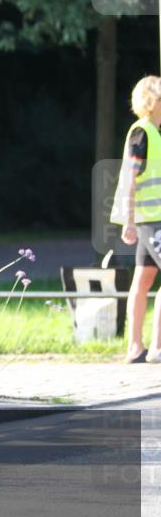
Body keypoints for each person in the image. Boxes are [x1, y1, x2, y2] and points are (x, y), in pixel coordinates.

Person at [117, 75, 161, 364]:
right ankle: (157, 347)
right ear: (153, 99)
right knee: (144, 280)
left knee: (143, 279)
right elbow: (131, 178)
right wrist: (129, 221)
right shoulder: (142, 132)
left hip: (152, 217)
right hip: (151, 218)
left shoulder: (154, 132)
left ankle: (136, 347)